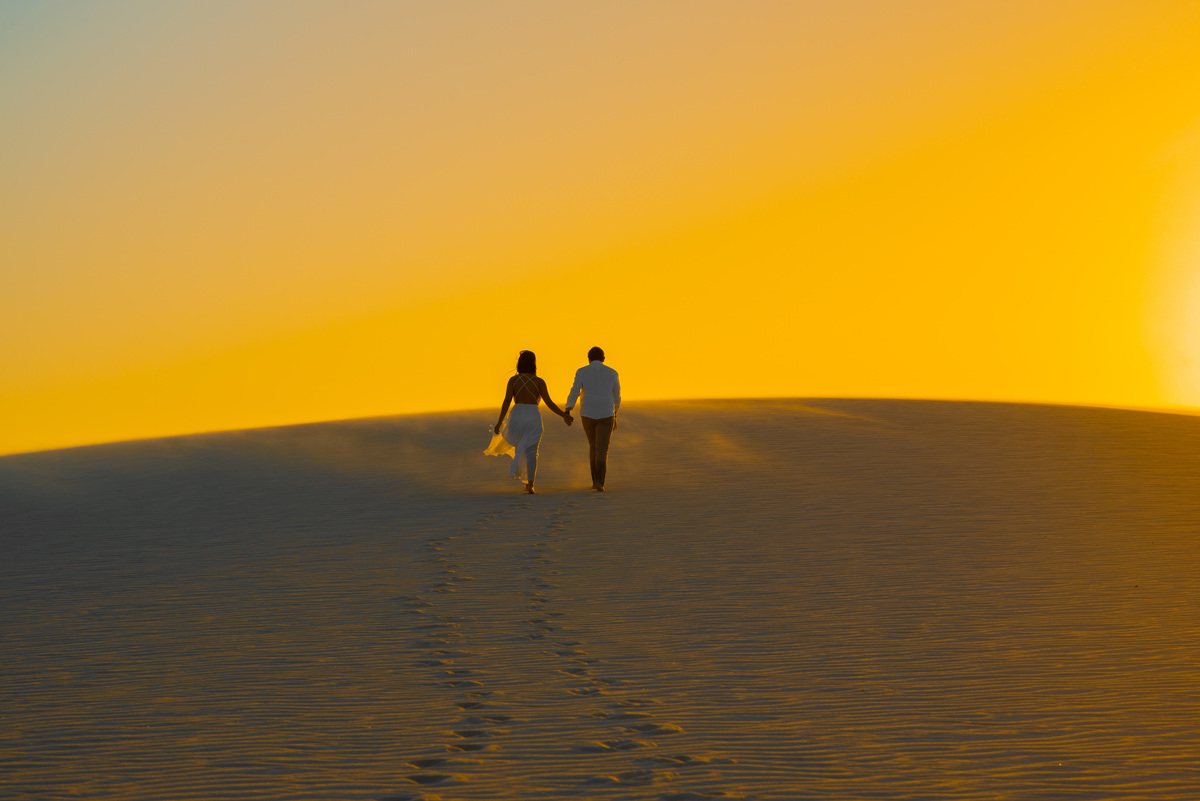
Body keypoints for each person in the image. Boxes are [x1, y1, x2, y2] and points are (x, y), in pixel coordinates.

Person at [485, 350, 573, 494]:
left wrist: (499, 422)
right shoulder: (539, 381)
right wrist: (564, 415)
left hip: (517, 415)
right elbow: (549, 403)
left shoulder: (513, 380)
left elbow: (506, 402)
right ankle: (530, 484)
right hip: (533, 415)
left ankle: (525, 478)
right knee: (532, 451)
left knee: (521, 445)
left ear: (519, 363)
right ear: (534, 364)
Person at [565, 346, 621, 491]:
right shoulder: (612, 372)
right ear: (603, 358)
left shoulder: (582, 371)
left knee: (593, 446)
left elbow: (575, 390)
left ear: (588, 358)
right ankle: (599, 482)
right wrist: (615, 415)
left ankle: (595, 480)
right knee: (602, 448)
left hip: (587, 413)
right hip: (606, 413)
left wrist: (568, 408)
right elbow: (617, 397)